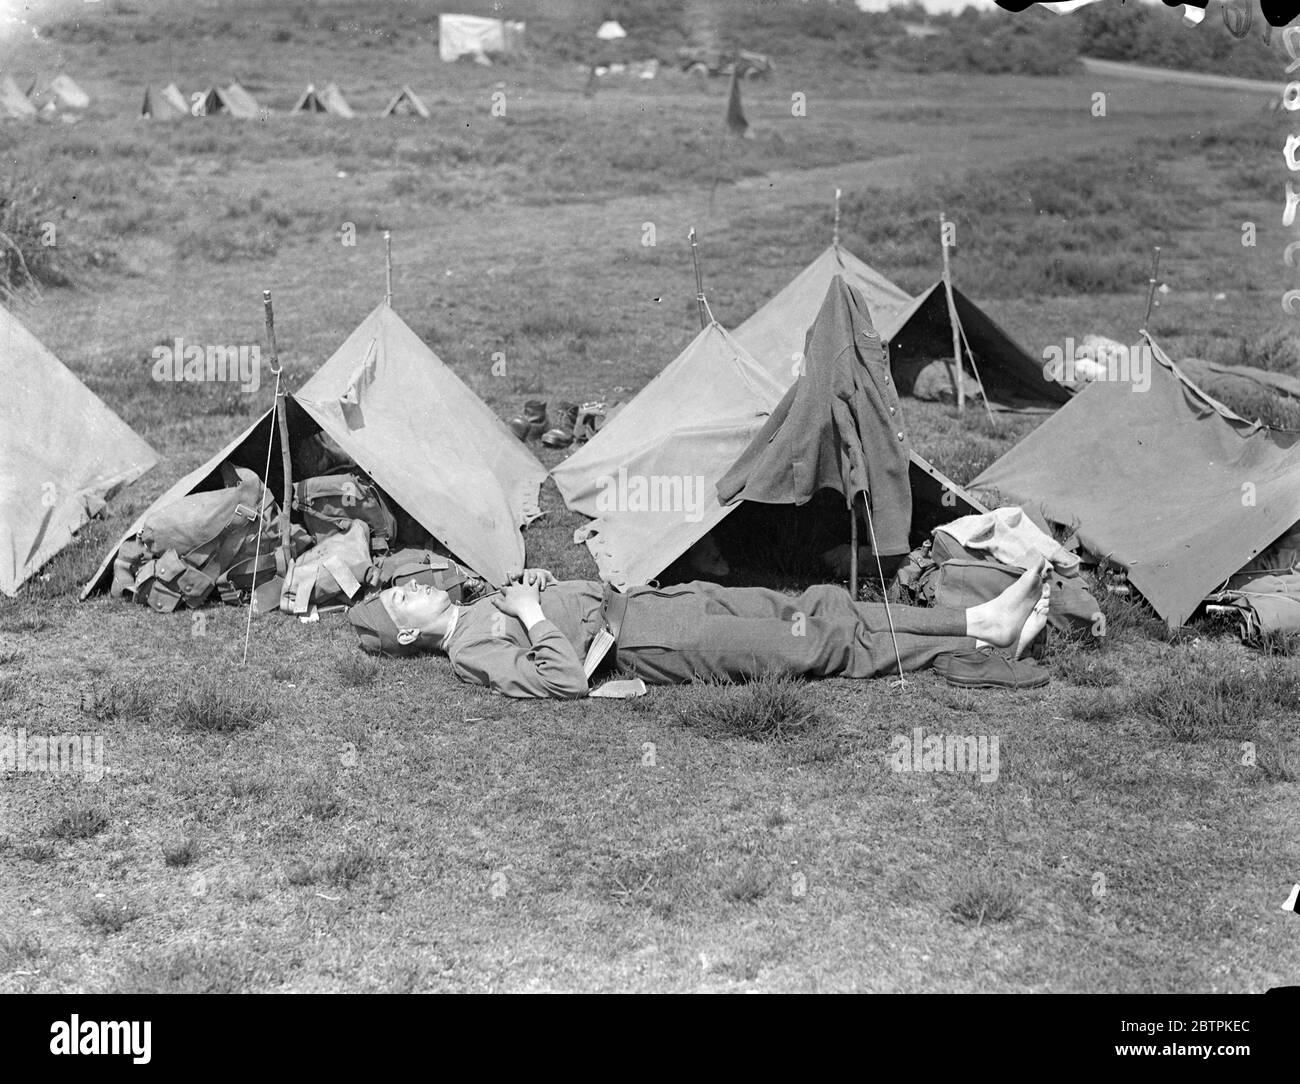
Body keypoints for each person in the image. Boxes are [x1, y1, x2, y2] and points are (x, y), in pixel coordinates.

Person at [346, 560, 1052, 699]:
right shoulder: (470, 652)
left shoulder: (474, 606)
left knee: (820, 604)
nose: (413, 589)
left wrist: (536, 591)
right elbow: (559, 678)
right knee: (818, 643)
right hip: (656, 645)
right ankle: (978, 639)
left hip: (663, 601)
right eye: (402, 603)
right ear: (409, 637)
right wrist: (532, 616)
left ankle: (977, 620)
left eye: (408, 586)